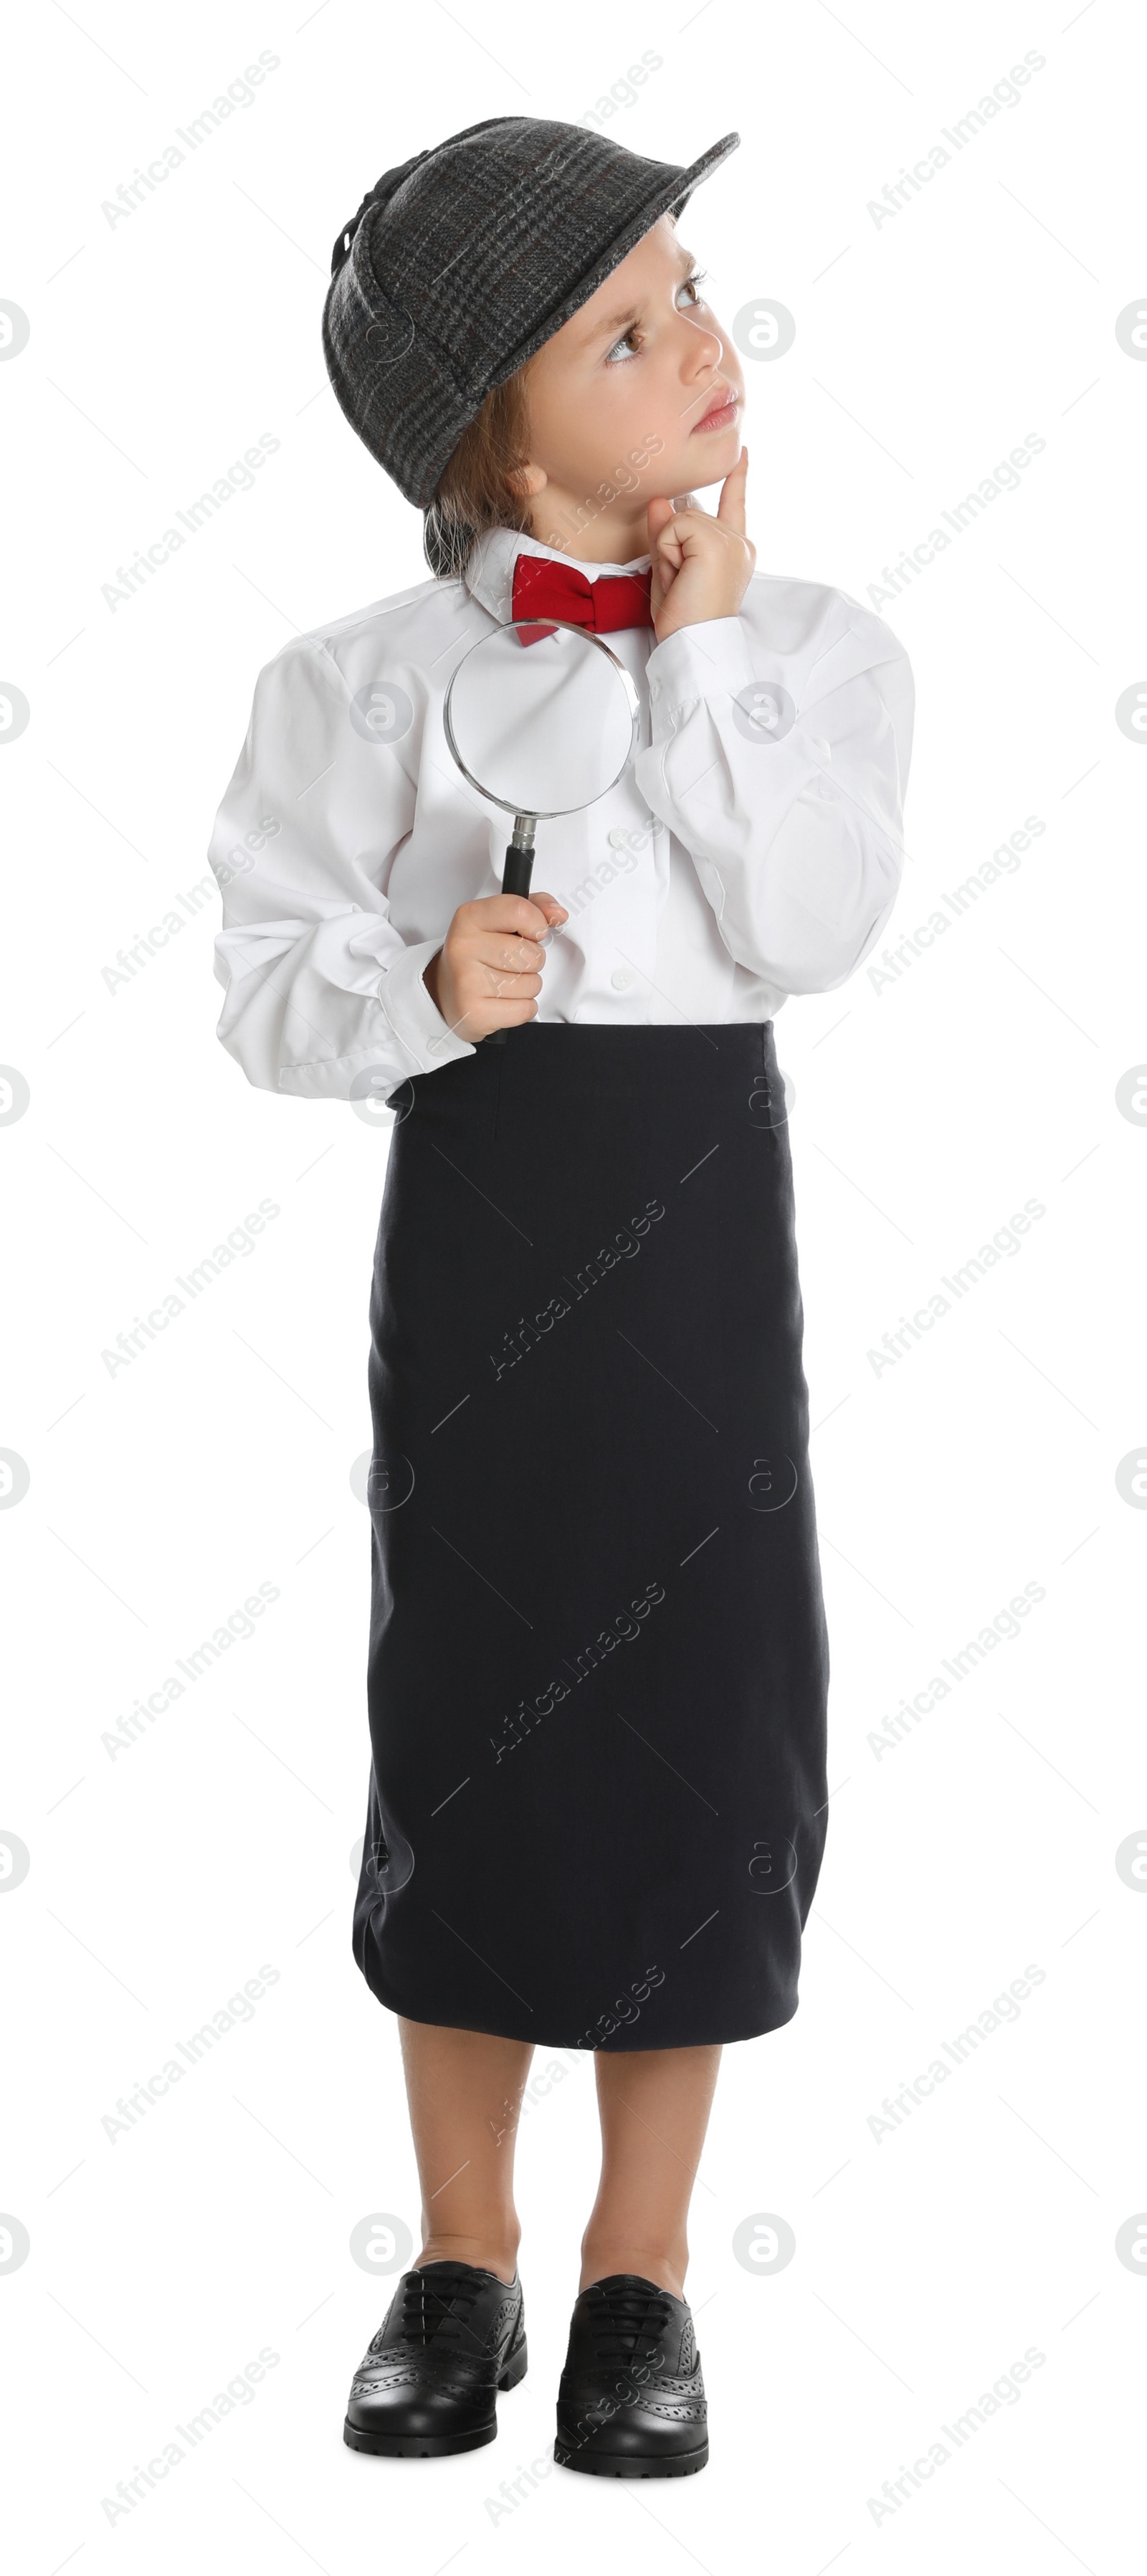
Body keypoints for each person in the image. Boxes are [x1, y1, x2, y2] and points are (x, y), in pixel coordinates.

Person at [208, 114, 914, 2478]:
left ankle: (641, 2264)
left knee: (703, 1717)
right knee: (477, 1712)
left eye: (691, 282)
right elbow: (264, 993)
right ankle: (461, 2248)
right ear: (489, 432)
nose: (701, 342)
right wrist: (420, 984)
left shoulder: (822, 656)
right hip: (485, 1235)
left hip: (703, 1240)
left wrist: (705, 656)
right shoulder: (351, 684)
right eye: (625, 330)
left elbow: (806, 923)